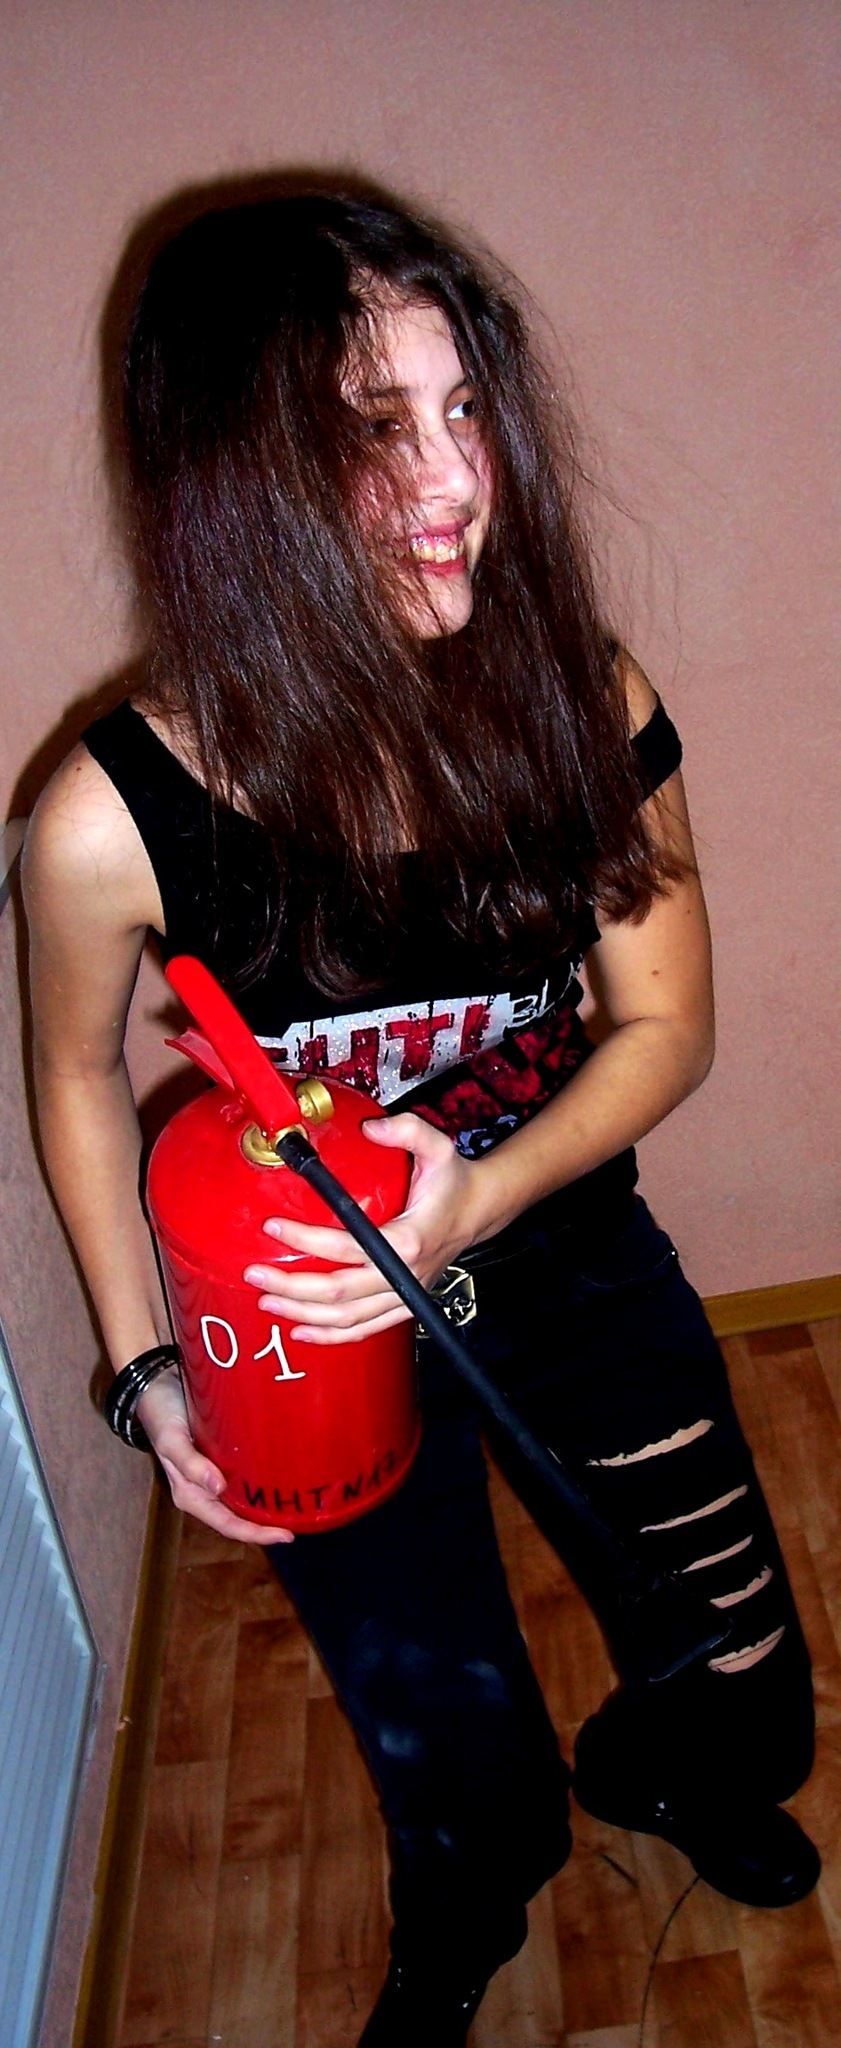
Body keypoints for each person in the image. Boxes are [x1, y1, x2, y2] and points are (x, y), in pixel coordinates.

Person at [23, 185, 818, 2046]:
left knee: (731, 1644)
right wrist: (147, 1374)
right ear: (233, 480)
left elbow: (668, 1024)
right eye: (376, 429)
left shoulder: (577, 703)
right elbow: (72, 1074)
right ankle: (466, 1911)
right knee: (431, 1711)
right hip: (310, 1331)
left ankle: (675, 1769)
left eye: (465, 411)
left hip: (560, 1241)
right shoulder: (108, 820)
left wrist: (483, 1194)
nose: (458, 480)